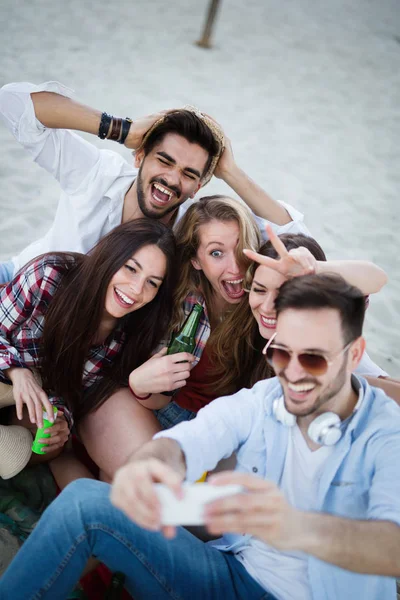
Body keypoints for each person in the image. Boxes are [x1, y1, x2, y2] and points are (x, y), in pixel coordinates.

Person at [2, 273, 400, 600]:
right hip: (231, 571)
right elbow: (194, 438)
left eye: (312, 357)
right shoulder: (265, 398)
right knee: (85, 504)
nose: (292, 375)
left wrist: (292, 527)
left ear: (354, 354)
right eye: (281, 354)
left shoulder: (384, 432)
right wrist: (150, 465)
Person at [0, 81, 306, 283]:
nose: (172, 180)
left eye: (189, 174)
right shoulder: (97, 173)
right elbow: (12, 102)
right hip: (16, 280)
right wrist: (122, 130)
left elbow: (291, 234)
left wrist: (230, 171)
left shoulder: (191, 226)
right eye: (164, 160)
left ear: (198, 187)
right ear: (139, 156)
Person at [78, 194, 263, 480]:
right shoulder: (181, 301)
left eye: (242, 249)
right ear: (196, 260)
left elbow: (349, 294)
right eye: (216, 253)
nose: (236, 267)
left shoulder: (267, 300)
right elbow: (160, 397)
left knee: (127, 479)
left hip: (219, 432)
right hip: (159, 411)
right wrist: (141, 386)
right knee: (110, 435)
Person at [0, 218, 178, 480]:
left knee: (41, 443)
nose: (137, 289)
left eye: (152, 282)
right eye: (130, 268)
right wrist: (17, 371)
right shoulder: (49, 276)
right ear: (110, 257)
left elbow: (70, 391)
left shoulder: (129, 338)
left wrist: (62, 422)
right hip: (6, 377)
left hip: (24, 406)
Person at [209, 226, 388, 398]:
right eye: (260, 290)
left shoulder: (331, 343)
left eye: (283, 294)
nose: (266, 307)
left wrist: (316, 269)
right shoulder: (245, 333)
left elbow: (377, 278)